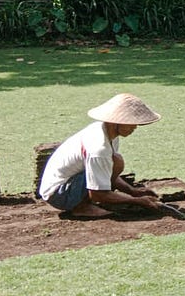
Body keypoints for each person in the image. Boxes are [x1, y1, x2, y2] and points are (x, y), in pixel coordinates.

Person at [38, 93, 167, 218]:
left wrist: (132, 191)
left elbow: (105, 171)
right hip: (59, 194)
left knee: (116, 161)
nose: (135, 127)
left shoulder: (107, 133)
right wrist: (136, 201)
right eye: (130, 123)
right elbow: (97, 194)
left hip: (67, 185)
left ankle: (92, 200)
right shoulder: (99, 149)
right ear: (114, 122)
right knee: (114, 164)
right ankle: (81, 207)